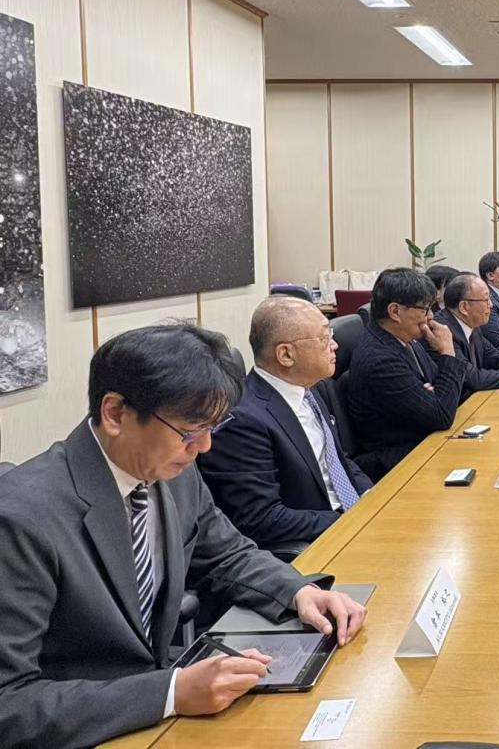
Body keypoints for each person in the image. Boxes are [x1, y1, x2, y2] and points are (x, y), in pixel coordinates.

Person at [0, 323, 366, 747]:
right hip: (91, 725)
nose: (205, 447)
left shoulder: (171, 472)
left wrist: (298, 591)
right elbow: (10, 702)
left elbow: (226, 554)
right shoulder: (23, 518)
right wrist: (170, 693)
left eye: (213, 427)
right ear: (115, 413)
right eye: (190, 431)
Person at [199, 297, 372, 555]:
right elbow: (261, 519)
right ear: (286, 354)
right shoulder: (243, 420)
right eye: (324, 338)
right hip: (313, 543)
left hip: (347, 520)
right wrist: (348, 519)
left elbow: (337, 459)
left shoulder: (311, 388)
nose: (334, 345)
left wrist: (369, 496)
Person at [343, 268, 464, 481]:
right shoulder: (380, 359)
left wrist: (433, 396)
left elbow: (442, 391)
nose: (431, 316)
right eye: (425, 309)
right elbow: (442, 414)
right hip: (398, 462)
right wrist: (447, 351)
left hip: (423, 439)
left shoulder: (406, 339)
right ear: (395, 312)